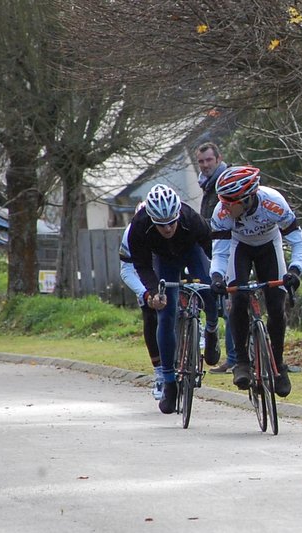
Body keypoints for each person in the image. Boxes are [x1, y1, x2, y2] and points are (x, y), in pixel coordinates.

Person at [209, 166, 302, 398]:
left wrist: (295, 270)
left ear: (245, 198)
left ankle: (279, 364)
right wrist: (216, 276)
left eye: (228, 202)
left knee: (276, 304)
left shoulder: (273, 203)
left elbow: (298, 241)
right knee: (239, 297)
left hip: (269, 245)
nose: (222, 207)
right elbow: (220, 252)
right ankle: (241, 361)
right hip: (238, 246)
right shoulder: (221, 214)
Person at [122, 184, 220, 414]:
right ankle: (169, 383)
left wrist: (218, 278)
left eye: (171, 223)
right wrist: (153, 293)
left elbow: (213, 250)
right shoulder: (139, 226)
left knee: (208, 290)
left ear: (178, 215)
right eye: (161, 224)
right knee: (166, 314)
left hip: (192, 251)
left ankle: (212, 331)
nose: (167, 228)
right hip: (164, 261)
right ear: (151, 219)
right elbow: (142, 266)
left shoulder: (191, 218)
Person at [195, 141, 237, 374]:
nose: (204, 165)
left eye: (209, 160)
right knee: (225, 302)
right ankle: (236, 355)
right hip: (216, 251)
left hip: (231, 249)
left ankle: (234, 358)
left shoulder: (225, 182)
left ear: (219, 159)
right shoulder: (209, 185)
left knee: (231, 303)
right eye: (201, 161)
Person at [119, 203, 161, 400]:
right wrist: (146, 294)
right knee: (151, 316)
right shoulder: (131, 233)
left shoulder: (172, 225)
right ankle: (160, 372)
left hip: (169, 262)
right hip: (143, 271)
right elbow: (127, 271)